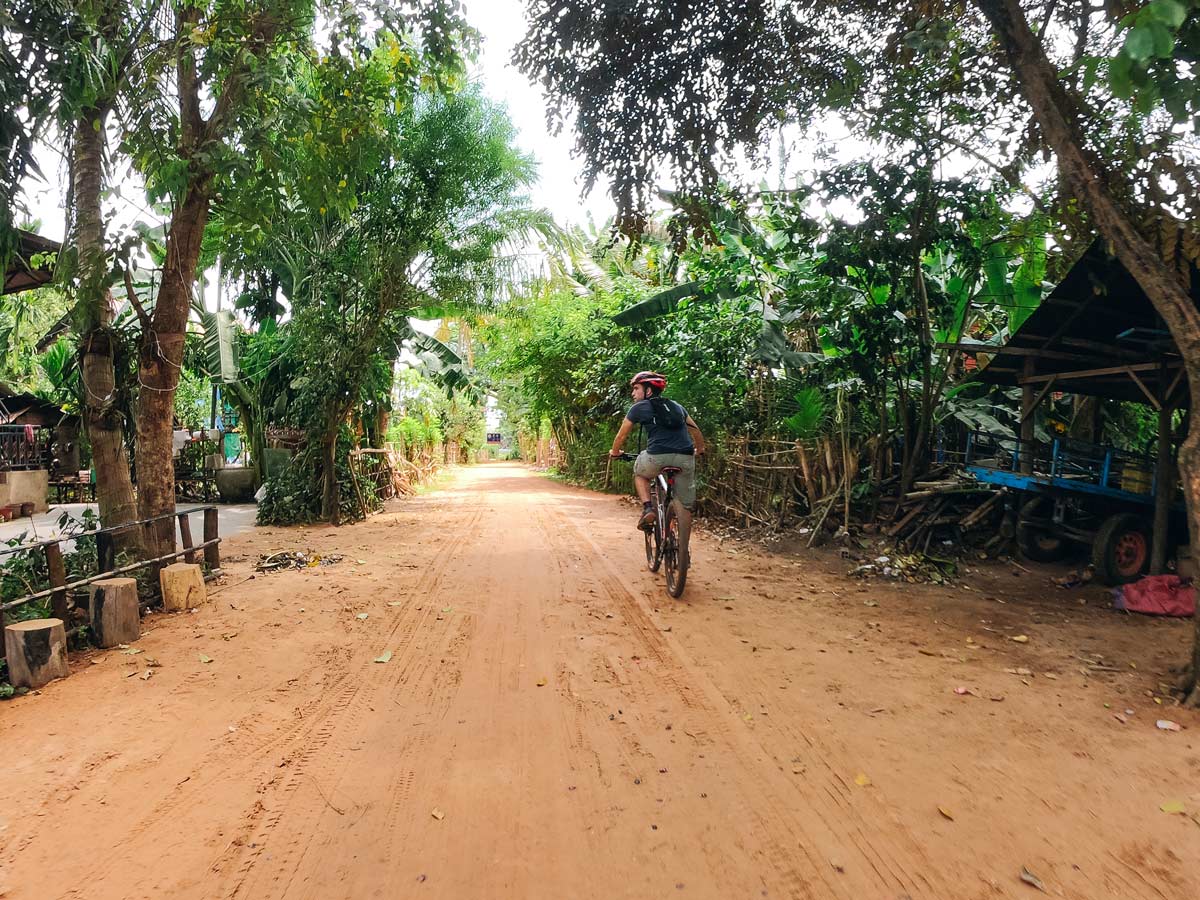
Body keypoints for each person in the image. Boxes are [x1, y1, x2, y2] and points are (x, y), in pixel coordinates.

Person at [609, 371, 706, 530]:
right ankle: (682, 551)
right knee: (686, 505)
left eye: (636, 388)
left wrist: (615, 452)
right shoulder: (677, 407)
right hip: (685, 457)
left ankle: (648, 508)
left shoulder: (638, 408)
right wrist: (699, 450)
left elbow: (621, 436)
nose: (633, 393)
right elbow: (696, 431)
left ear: (648, 390)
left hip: (656, 457)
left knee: (640, 475)